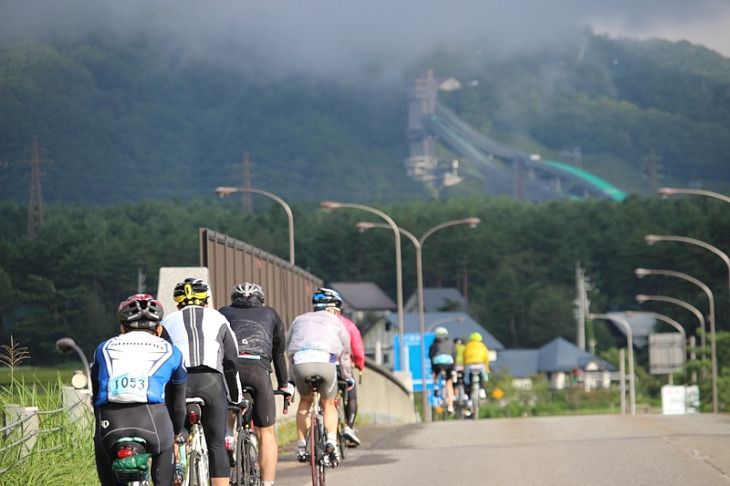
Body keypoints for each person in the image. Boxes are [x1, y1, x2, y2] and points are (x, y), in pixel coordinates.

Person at [91, 294, 187, 486]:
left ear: (122, 328)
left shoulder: (103, 348)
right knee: (164, 469)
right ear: (158, 329)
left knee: (104, 453)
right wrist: (178, 430)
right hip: (154, 422)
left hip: (111, 424)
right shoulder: (171, 351)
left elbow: (96, 396)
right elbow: (178, 404)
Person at [162, 277, 243, 486]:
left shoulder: (167, 321)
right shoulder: (218, 318)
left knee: (175, 433)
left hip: (180, 383)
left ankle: (179, 464)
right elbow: (231, 362)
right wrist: (236, 397)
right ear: (206, 300)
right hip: (211, 382)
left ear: (178, 303)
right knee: (216, 444)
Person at [218, 282, 295, 486]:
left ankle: (227, 436)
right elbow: (278, 354)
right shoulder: (270, 314)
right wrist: (284, 383)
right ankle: (267, 484)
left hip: (230, 369)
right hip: (258, 371)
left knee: (228, 396)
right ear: (262, 302)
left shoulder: (223, 313)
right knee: (266, 432)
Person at [287, 288, 353, 465]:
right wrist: (347, 377)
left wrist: (290, 377)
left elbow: (289, 349)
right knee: (328, 402)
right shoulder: (337, 323)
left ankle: (301, 446)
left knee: (305, 402)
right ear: (332, 308)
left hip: (300, 363)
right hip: (325, 362)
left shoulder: (299, 320)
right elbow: (345, 353)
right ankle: (331, 441)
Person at [336, 309, 365, 447]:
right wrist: (359, 364)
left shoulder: (313, 321)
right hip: (341, 366)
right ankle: (349, 427)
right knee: (351, 395)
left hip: (316, 362)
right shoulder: (347, 324)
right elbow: (357, 347)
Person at [428, 326, 456, 414]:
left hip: (437, 362)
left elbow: (430, 355)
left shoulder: (433, 344)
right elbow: (454, 354)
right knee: (449, 382)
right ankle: (450, 406)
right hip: (448, 363)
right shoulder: (451, 343)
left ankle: (436, 385)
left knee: (434, 372)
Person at [463, 331, 489, 400]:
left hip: (470, 365)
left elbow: (464, 357)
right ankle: (482, 390)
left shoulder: (467, 345)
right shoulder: (483, 346)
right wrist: (486, 369)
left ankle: (466, 395)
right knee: (482, 376)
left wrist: (464, 368)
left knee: (467, 379)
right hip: (480, 364)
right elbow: (486, 358)